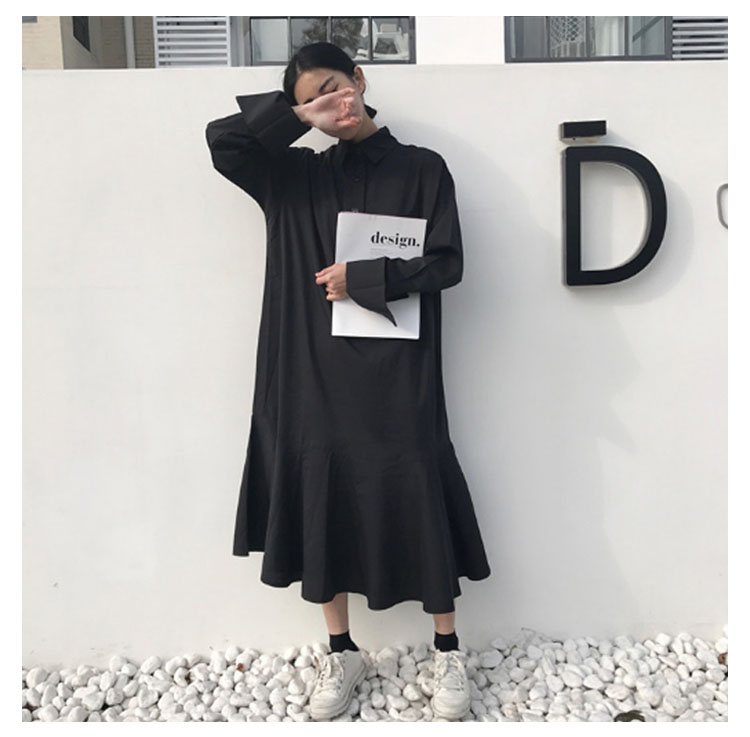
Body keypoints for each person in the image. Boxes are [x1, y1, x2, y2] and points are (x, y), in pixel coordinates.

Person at [205, 41, 491, 722]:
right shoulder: (292, 177)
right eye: (312, 99)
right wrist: (296, 117)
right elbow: (224, 143)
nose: (331, 103)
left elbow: (447, 263)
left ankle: (447, 648)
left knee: (417, 479)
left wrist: (367, 277)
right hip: (310, 370)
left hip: (399, 372)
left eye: (335, 85)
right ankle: (341, 648)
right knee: (319, 487)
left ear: (359, 79)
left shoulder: (422, 169)